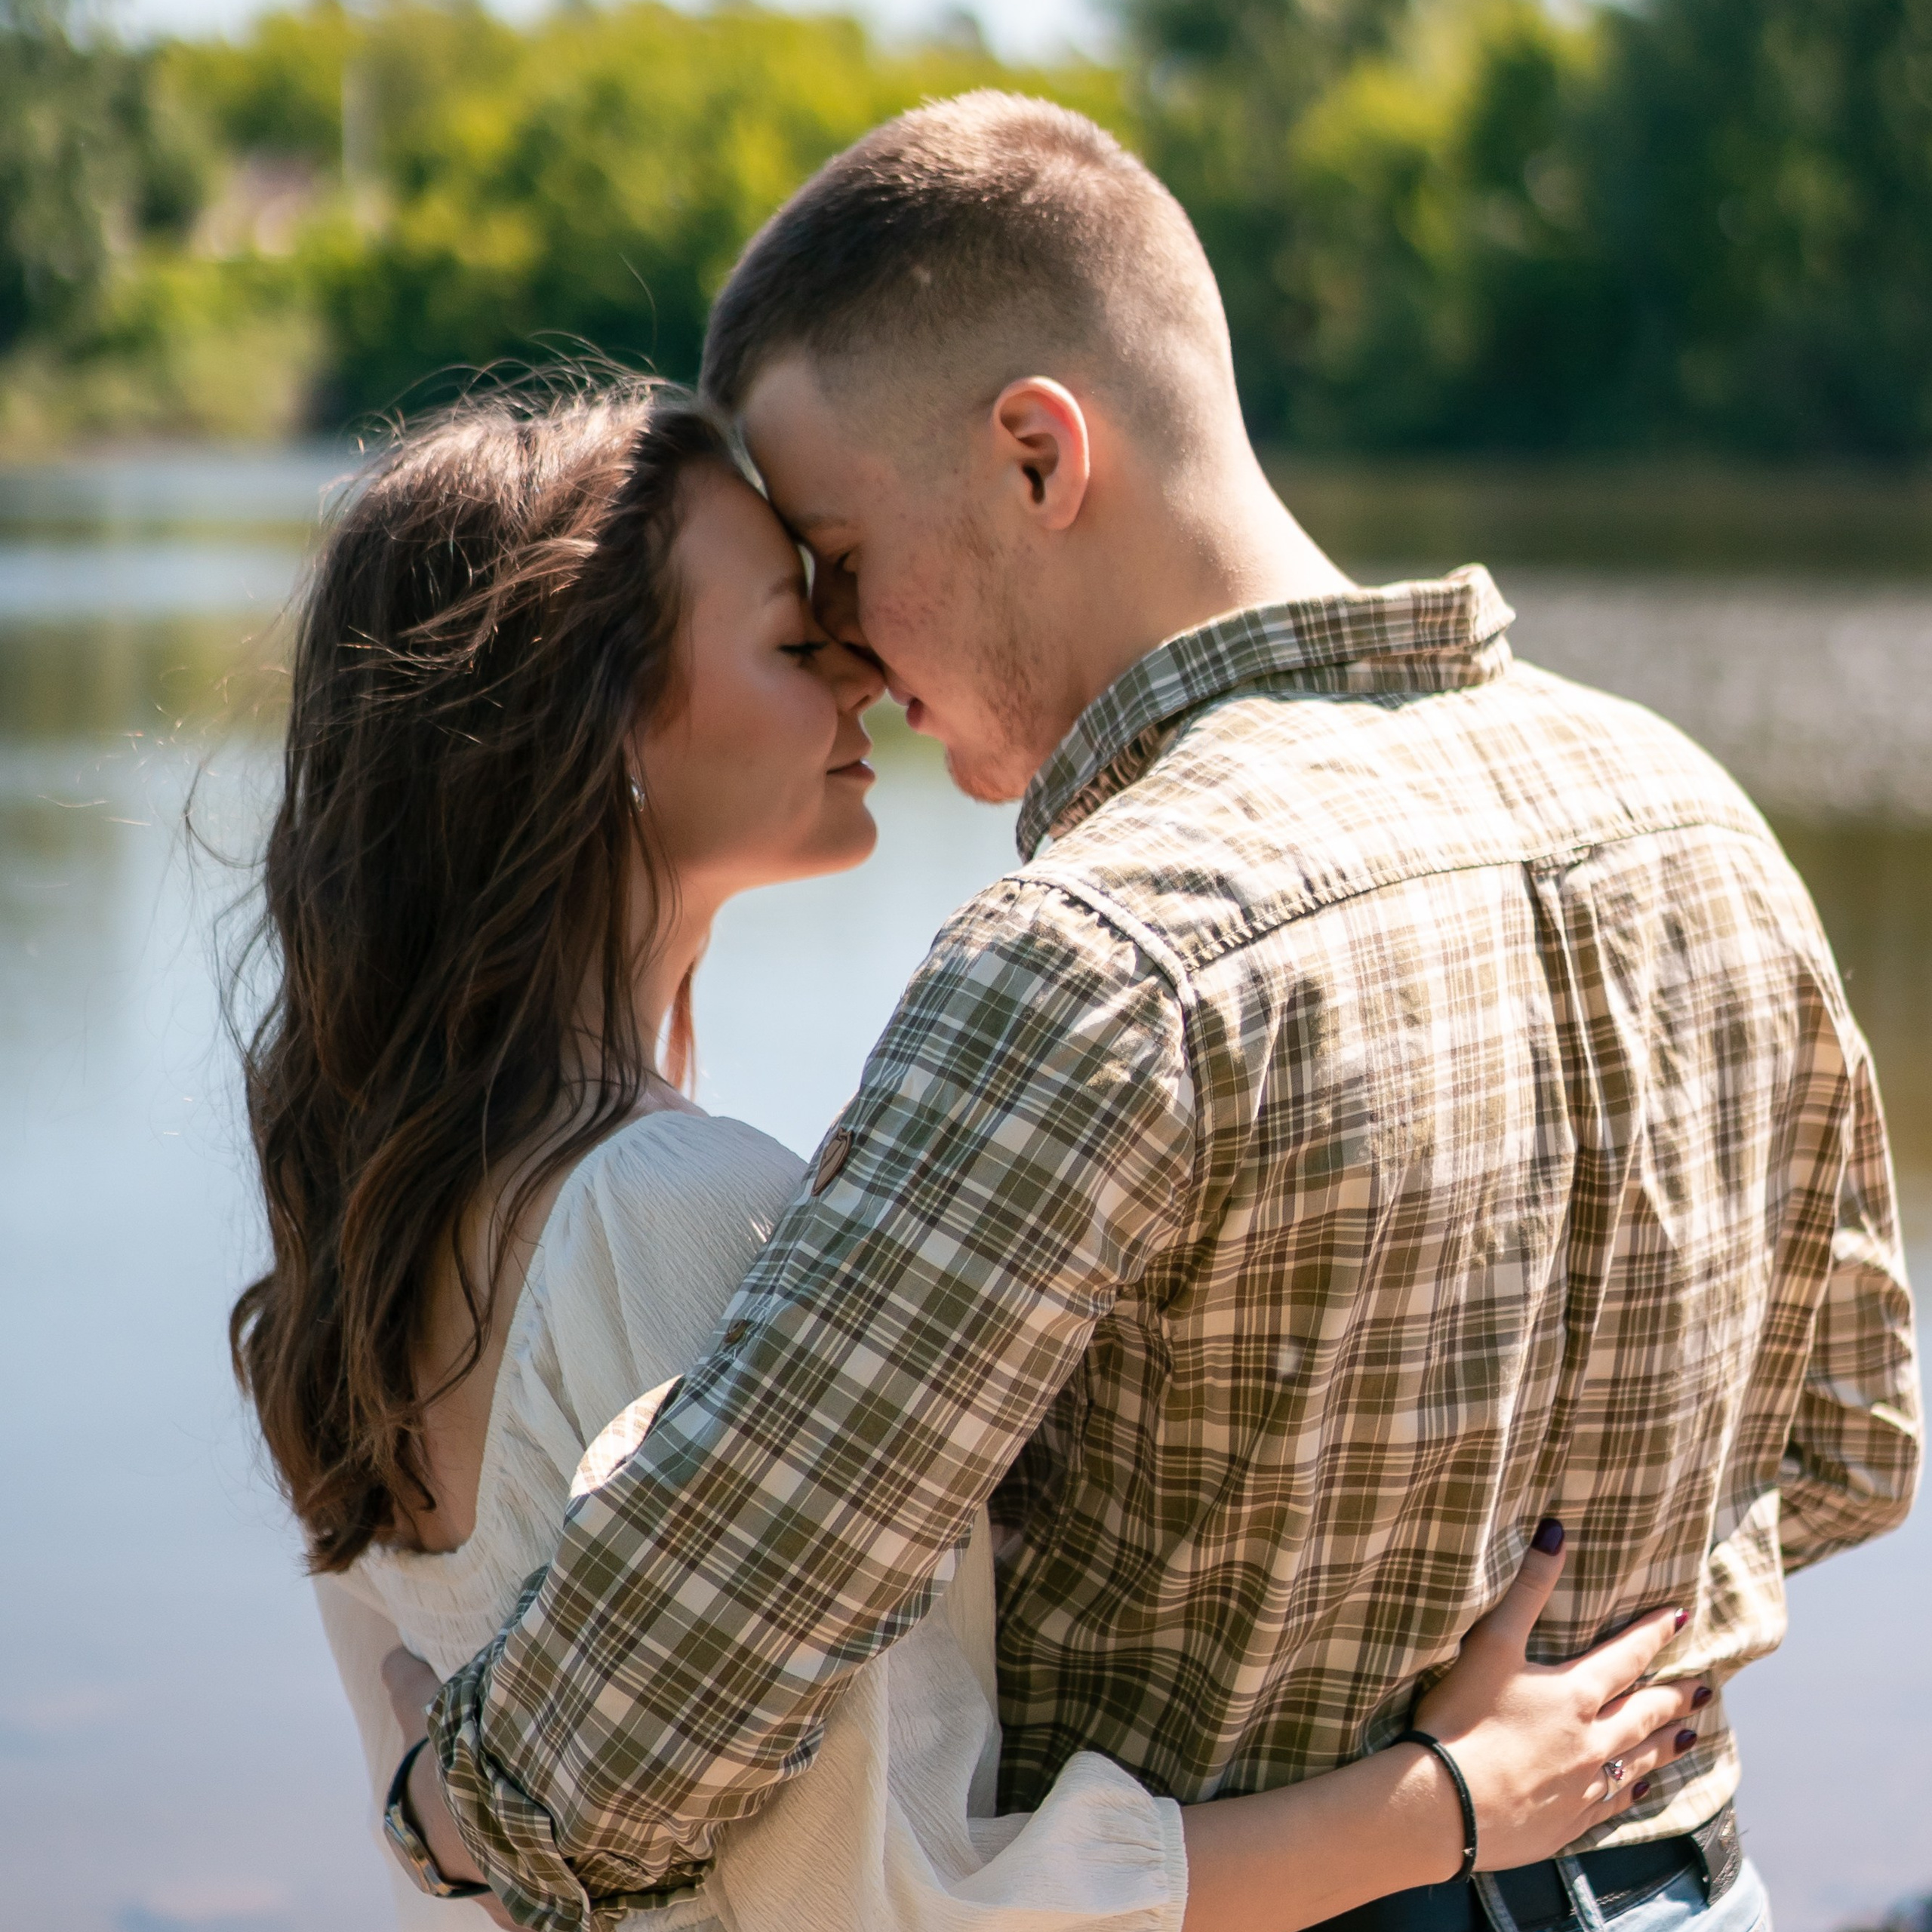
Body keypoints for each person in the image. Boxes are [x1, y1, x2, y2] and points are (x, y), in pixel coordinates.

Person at [408, 94, 1921, 1932]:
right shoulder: (1696, 814)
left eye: (844, 562)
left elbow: (608, 1756)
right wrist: (1578, 1620)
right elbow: (1850, 1436)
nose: (856, 662)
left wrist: (439, 1799)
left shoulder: (1096, 960)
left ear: (1037, 456)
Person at [232, 380, 1709, 1932]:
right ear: (592, 729)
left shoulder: (366, 1209)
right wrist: (1451, 1804)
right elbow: (922, 1896)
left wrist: (430, 1809)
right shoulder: (666, 1212)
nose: (864, 672)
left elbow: (462, 1784)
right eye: (798, 643)